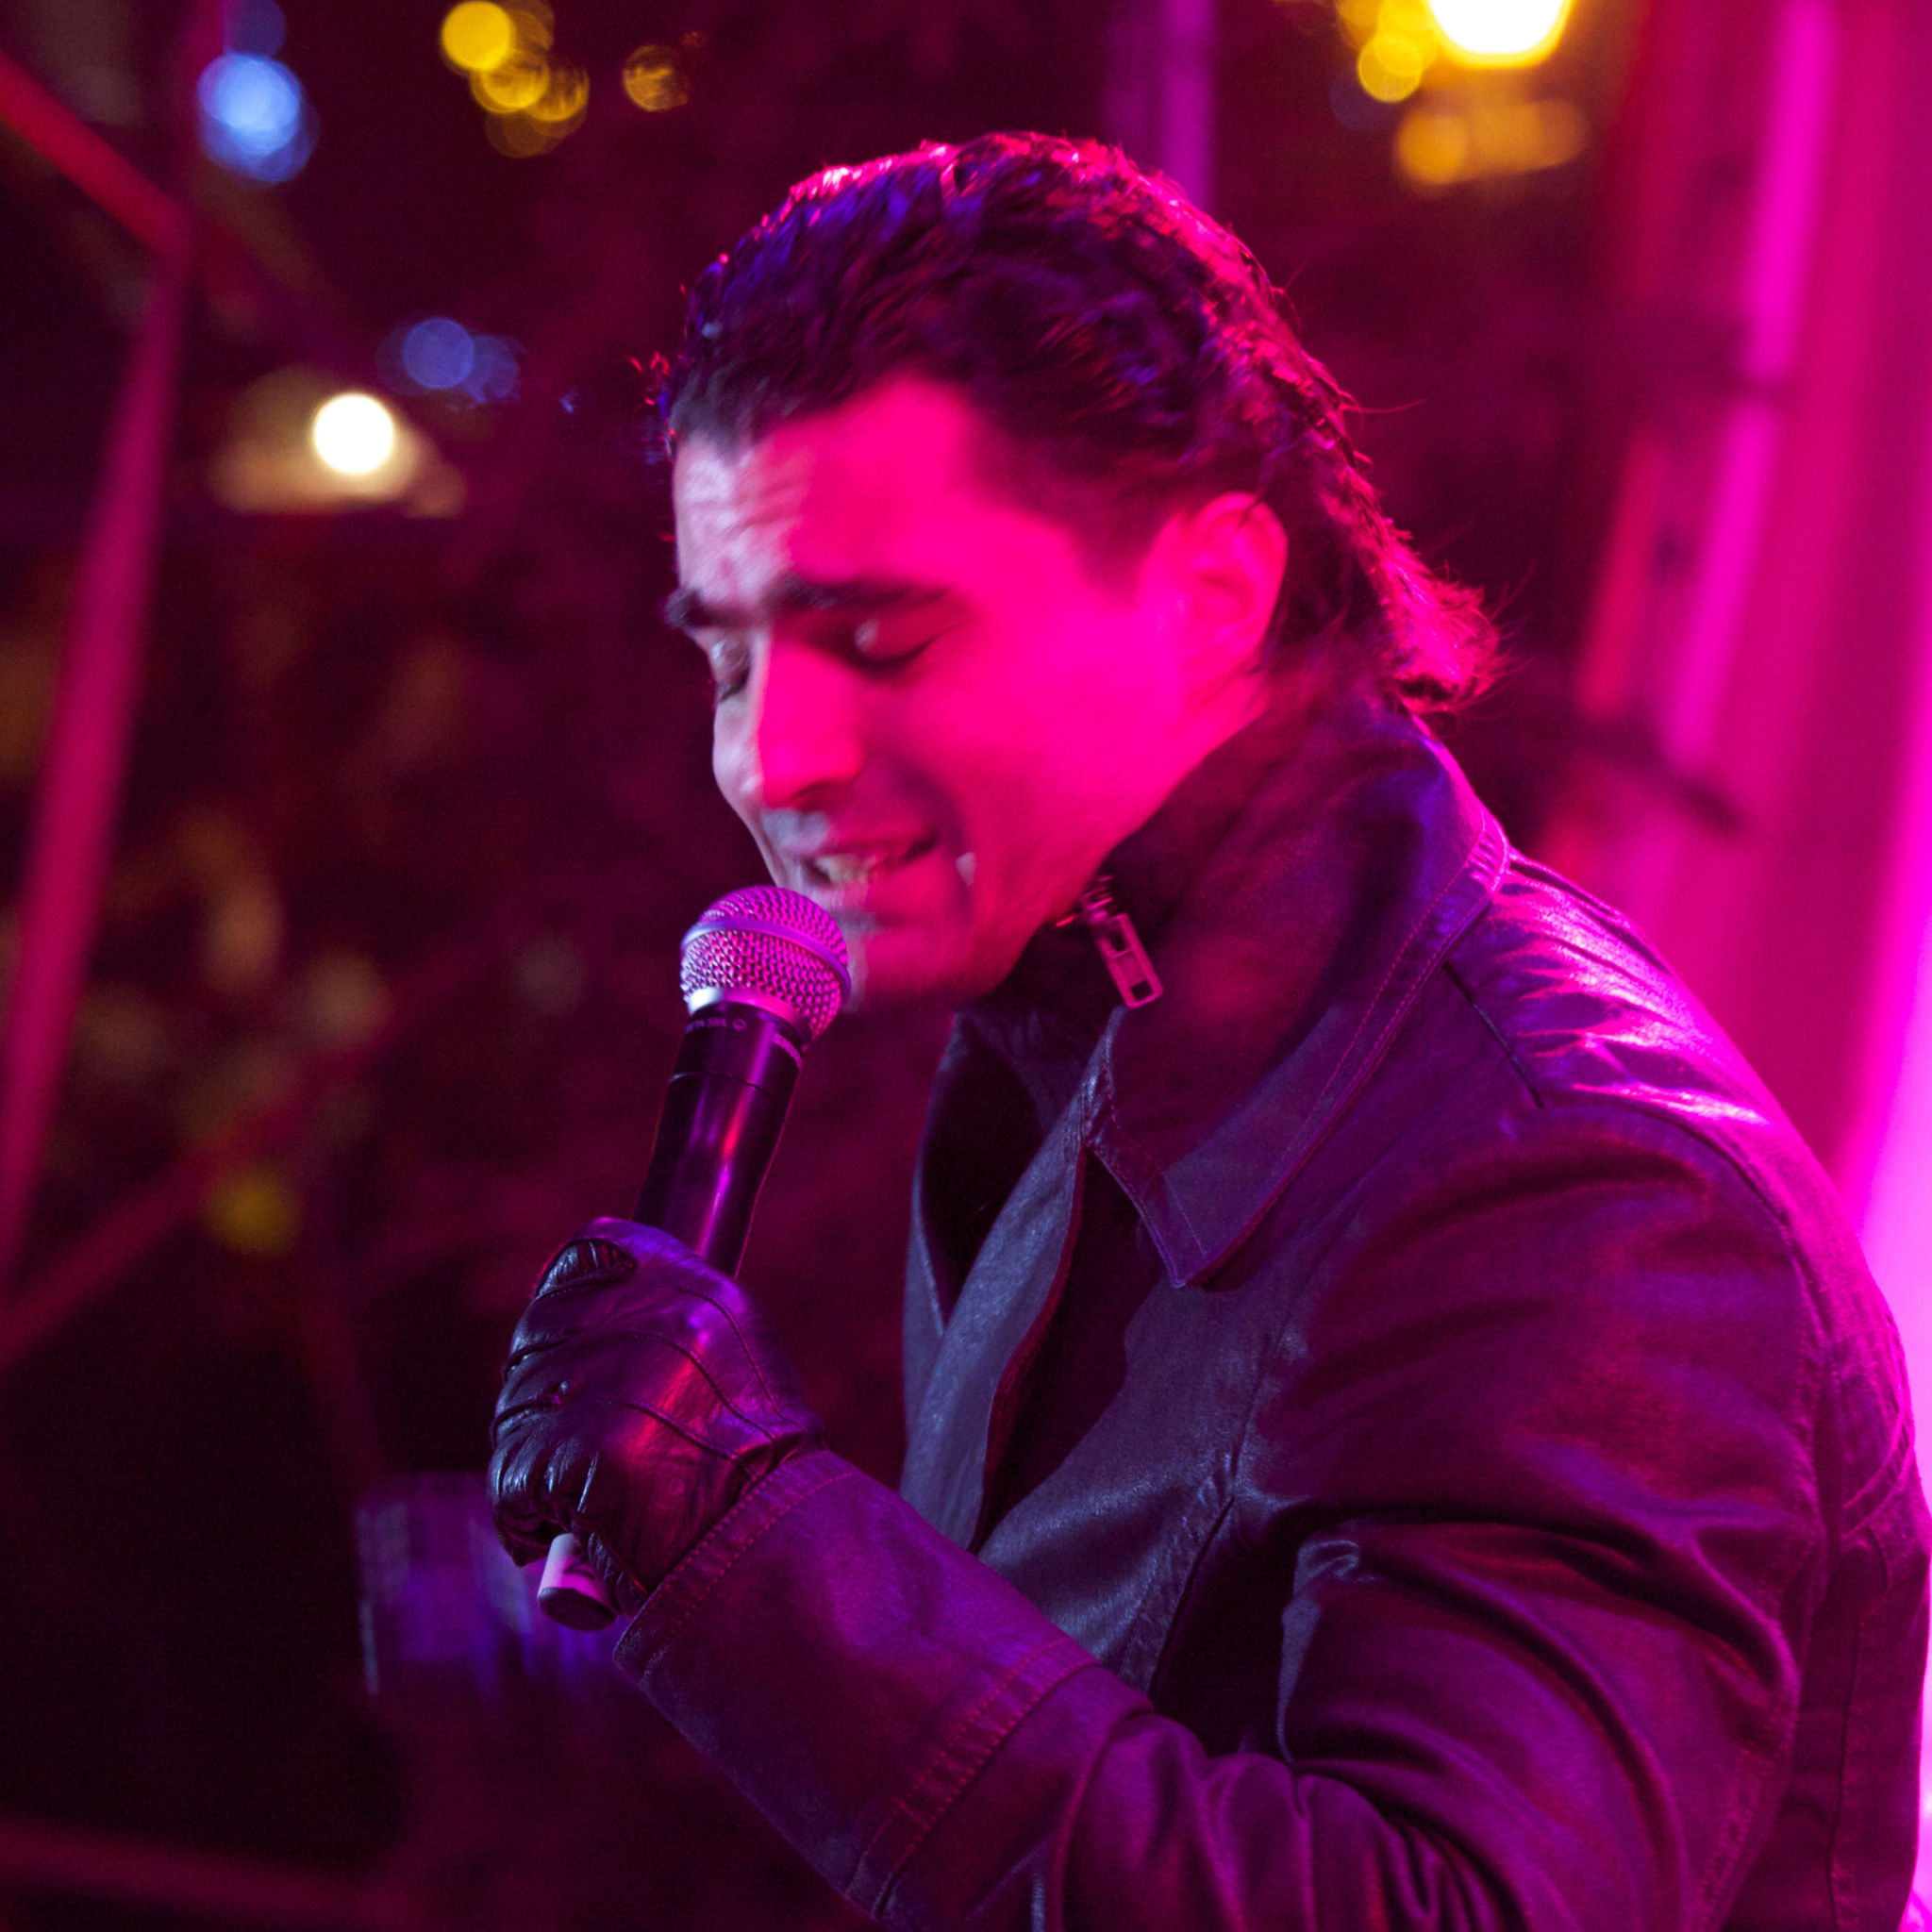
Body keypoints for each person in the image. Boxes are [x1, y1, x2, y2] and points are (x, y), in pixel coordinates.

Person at [488, 134, 1928, 1926]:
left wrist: (750, 1557)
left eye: (882, 640)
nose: (773, 759)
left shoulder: (1572, 1180)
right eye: (729, 661)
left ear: (1213, 593)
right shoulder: (1072, 1045)